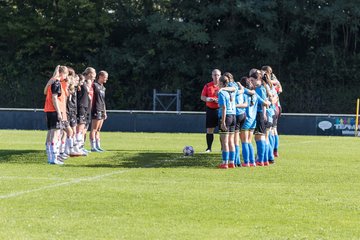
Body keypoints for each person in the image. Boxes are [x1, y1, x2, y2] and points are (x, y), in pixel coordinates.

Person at [44, 65, 68, 165]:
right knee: (56, 134)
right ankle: (54, 158)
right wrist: (59, 112)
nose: (66, 77)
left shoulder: (52, 81)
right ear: (62, 73)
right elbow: (54, 98)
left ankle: (51, 158)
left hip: (48, 110)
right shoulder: (57, 82)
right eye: (66, 74)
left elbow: (45, 92)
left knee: (50, 133)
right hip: (54, 110)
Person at [217, 75, 236, 169]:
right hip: (233, 116)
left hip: (226, 116)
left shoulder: (221, 93)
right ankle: (232, 162)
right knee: (231, 141)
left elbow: (224, 107)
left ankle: (225, 163)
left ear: (221, 83)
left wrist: (223, 121)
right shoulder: (230, 92)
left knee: (225, 142)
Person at [201, 69, 221, 153]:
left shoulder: (223, 86)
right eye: (214, 75)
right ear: (212, 76)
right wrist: (208, 99)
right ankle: (209, 148)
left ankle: (223, 148)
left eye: (217, 75)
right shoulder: (208, 85)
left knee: (222, 130)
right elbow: (202, 97)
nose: (216, 77)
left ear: (220, 75)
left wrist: (218, 100)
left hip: (220, 110)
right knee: (209, 129)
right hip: (210, 110)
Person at [90, 71, 108, 152]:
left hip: (101, 109)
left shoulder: (103, 87)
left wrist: (105, 111)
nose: (106, 79)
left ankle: (98, 146)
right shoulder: (94, 85)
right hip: (95, 109)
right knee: (94, 129)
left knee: (98, 129)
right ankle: (93, 147)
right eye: (105, 77)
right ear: (100, 76)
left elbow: (103, 101)